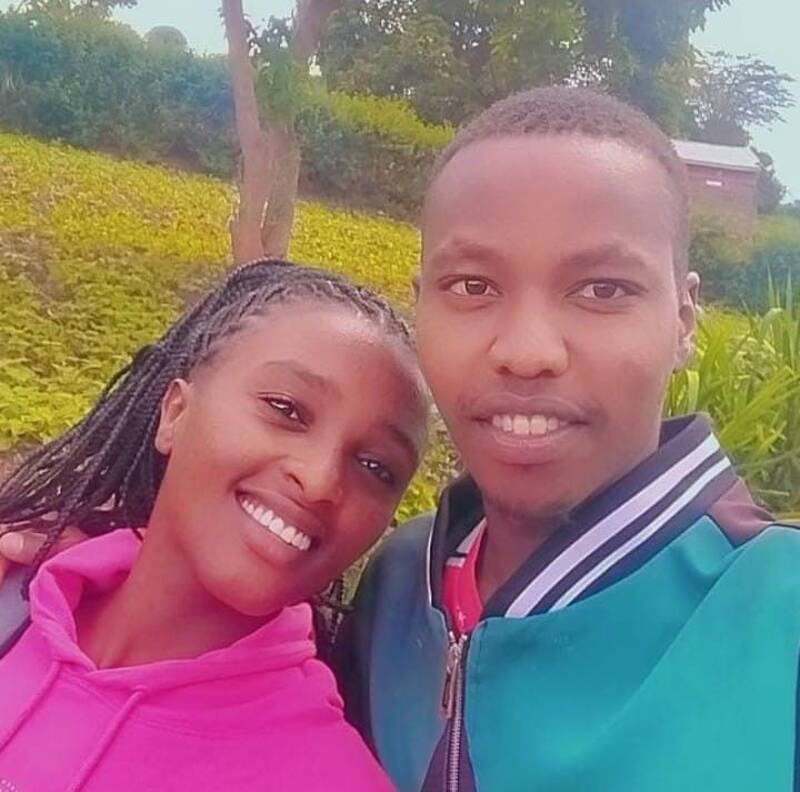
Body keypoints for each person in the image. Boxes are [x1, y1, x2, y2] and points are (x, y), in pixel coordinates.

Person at [338, 87, 800, 791]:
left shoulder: (779, 613)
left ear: (683, 320)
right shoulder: (397, 584)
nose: (527, 352)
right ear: (420, 303)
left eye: (602, 290)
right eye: (471, 286)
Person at [0, 259, 428, 791]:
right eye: (286, 409)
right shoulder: (18, 599)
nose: (320, 480)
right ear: (175, 413)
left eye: (376, 467)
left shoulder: (330, 777)